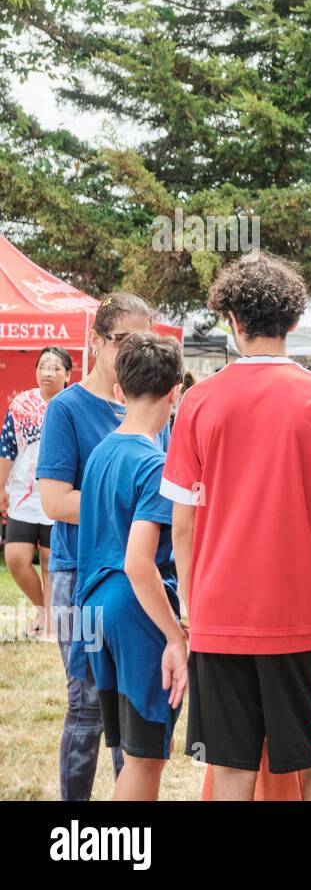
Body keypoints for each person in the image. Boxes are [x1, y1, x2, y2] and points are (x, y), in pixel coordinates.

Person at [161, 252, 311, 801]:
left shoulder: (198, 402)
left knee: (230, 774)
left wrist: (190, 605)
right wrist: (307, 488)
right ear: (294, 322)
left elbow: (181, 521)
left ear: (232, 320)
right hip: (299, 621)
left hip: (217, 619)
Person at [37, 292, 159, 801]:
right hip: (78, 573)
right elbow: (53, 500)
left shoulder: (153, 407)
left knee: (127, 705)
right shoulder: (67, 408)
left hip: (139, 576)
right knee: (87, 704)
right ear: (96, 342)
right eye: (123, 339)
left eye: (144, 340)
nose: (134, 350)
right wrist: (124, 501)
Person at [76, 333, 185, 800]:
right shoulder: (155, 464)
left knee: (130, 752)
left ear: (119, 391)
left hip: (92, 606)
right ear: (175, 391)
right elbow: (140, 564)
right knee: (145, 759)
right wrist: (177, 634)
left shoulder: (101, 453)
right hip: (132, 608)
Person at [0, 346, 72, 637]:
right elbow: (7, 448)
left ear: (68, 373)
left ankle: (51, 622)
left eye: (56, 367)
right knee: (16, 557)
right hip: (24, 496)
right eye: (43, 366)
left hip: (58, 496)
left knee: (48, 561)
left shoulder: (72, 405)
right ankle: (43, 610)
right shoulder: (21, 404)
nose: (48, 372)